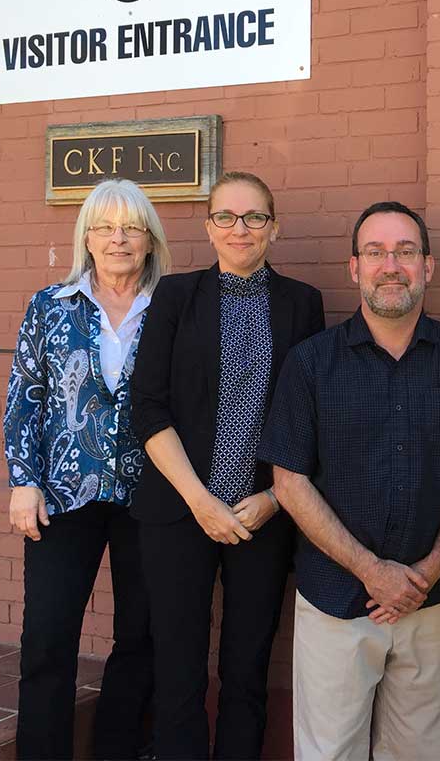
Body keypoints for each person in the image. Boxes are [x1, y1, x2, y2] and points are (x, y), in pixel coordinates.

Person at [259, 201, 440, 761]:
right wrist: (373, 572)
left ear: (428, 266)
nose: (390, 265)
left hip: (432, 599)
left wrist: (426, 571)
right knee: (329, 753)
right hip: (334, 596)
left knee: (422, 752)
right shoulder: (311, 362)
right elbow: (290, 482)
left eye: (405, 252)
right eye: (375, 252)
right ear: (354, 268)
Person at [130, 171, 325, 760]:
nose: (240, 230)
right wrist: (200, 500)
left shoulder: (301, 304)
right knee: (178, 666)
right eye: (226, 217)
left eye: (254, 217)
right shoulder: (175, 296)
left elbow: (310, 415)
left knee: (247, 668)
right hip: (181, 508)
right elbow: (148, 405)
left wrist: (272, 499)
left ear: (274, 227)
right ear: (208, 226)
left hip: (261, 515)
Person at [4, 177, 169, 760]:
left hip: (151, 498)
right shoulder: (50, 306)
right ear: (87, 237)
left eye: (131, 228)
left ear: (150, 240)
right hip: (63, 494)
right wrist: (23, 482)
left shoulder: (172, 306)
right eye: (105, 227)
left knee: (141, 638)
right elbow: (26, 395)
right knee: (48, 638)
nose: (118, 239)